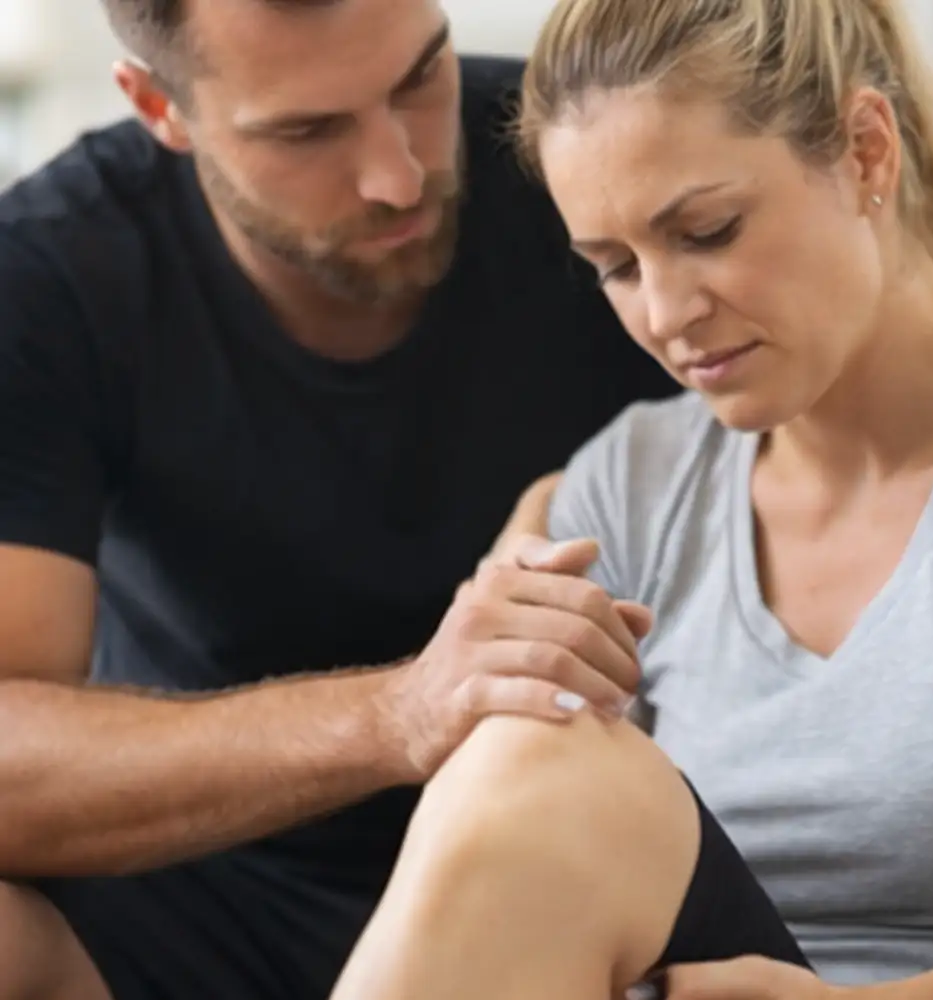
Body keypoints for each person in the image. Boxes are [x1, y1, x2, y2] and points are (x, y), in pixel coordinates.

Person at [314, 0, 933, 998]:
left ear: (863, 152)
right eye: (615, 268)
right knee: (530, 755)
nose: (666, 315)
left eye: (707, 231)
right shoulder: (627, 489)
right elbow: (502, 840)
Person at [0, 0, 682, 996]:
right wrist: (398, 712)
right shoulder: (50, 278)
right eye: (306, 130)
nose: (400, 175)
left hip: (573, 867)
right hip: (200, 898)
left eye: (420, 78)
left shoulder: (582, 156)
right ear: (161, 107)